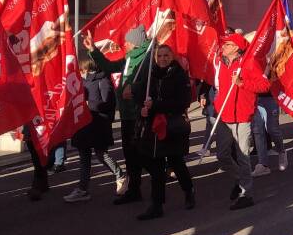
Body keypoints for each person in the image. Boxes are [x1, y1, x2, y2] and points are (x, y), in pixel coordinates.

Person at [84, 25, 150, 205]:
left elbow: (147, 82)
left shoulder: (146, 58)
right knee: (130, 154)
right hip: (127, 114)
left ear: (135, 44)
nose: (125, 44)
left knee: (141, 153)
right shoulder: (129, 58)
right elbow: (109, 66)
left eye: (127, 41)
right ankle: (134, 190)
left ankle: (165, 178)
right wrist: (93, 50)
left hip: (139, 114)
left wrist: (134, 89)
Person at [132, 44, 195, 219]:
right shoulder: (150, 74)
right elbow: (141, 99)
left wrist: (156, 106)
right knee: (156, 166)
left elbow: (183, 102)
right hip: (153, 128)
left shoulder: (179, 75)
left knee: (176, 162)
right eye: (159, 55)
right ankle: (157, 205)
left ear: (172, 56)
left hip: (171, 126)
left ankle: (189, 191)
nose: (162, 59)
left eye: (166, 55)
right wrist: (142, 110)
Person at [214, 33, 269, 210]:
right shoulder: (222, 63)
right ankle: (240, 179)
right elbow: (220, 88)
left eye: (228, 45)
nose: (224, 47)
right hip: (224, 115)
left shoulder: (248, 63)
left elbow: (264, 86)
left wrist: (242, 83)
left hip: (242, 117)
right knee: (222, 155)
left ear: (237, 48)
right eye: (224, 44)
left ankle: (247, 194)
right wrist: (217, 104)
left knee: (243, 157)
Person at [63, 60, 127, 203]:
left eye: (82, 69)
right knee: (84, 159)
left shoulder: (103, 80)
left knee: (101, 155)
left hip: (98, 125)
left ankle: (121, 175)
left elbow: (108, 103)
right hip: (83, 127)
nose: (81, 72)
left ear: (88, 69)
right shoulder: (80, 82)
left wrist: (87, 104)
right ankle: (82, 189)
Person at [251, 90, 285, 177]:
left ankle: (282, 153)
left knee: (272, 129)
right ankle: (263, 165)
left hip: (270, 96)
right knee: (258, 131)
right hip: (253, 97)